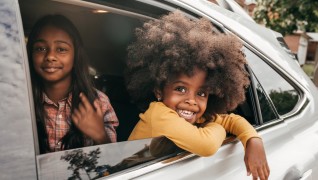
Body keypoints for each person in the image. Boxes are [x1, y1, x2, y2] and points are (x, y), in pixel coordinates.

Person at [125, 11, 269, 179]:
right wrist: (219, 127)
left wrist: (253, 139)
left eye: (201, 93)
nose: (191, 101)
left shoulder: (192, 115)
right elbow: (206, 145)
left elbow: (231, 119)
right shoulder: (158, 114)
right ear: (159, 91)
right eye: (180, 89)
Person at [26, 14, 119, 153]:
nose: (50, 56)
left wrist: (100, 135)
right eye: (40, 48)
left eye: (61, 49)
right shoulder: (19, 99)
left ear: (75, 56)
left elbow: (114, 164)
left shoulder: (98, 102)